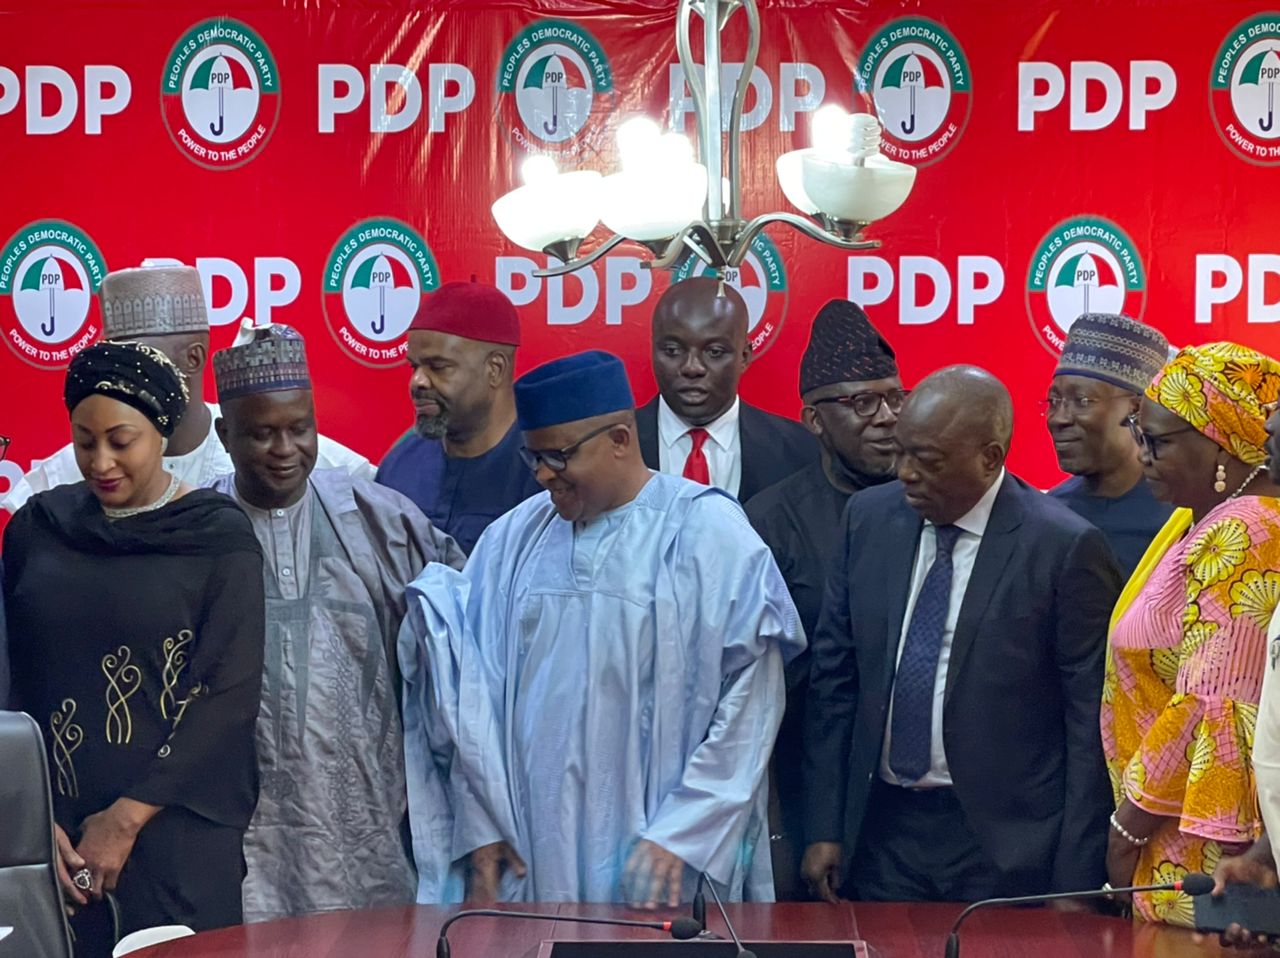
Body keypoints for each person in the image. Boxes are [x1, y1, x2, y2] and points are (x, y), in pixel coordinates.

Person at [399, 350, 804, 904]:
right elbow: (468, 699)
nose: (543, 476)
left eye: (559, 457)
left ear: (619, 439)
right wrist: (481, 822)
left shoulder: (708, 533)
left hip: (664, 856)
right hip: (534, 854)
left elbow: (752, 706)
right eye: (533, 457)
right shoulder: (511, 540)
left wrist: (685, 831)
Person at [803, 365, 1121, 904]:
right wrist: (824, 826)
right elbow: (835, 685)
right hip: (881, 834)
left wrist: (1077, 876)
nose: (904, 473)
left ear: (989, 458)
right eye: (901, 452)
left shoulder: (1063, 547)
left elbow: (1088, 724)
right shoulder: (867, 520)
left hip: (1005, 844)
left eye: (926, 460)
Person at [2, 341, 265, 956]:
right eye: (84, 439)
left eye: (122, 440)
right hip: (54, 837)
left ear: (163, 433)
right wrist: (37, 824)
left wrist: (124, 821)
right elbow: (12, 680)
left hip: (177, 832)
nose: (100, 461)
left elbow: (227, 692)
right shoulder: (38, 529)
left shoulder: (215, 536)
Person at [208, 322, 464, 921]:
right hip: (250, 830)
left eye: (300, 429)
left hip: (371, 815)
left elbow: (463, 642)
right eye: (262, 433)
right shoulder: (199, 532)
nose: (284, 449)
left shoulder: (378, 519)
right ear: (225, 434)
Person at [1101, 342, 1280, 927]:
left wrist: (1127, 828)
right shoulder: (1199, 518)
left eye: (1159, 441)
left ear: (1222, 441)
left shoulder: (1244, 529)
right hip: (1179, 842)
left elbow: (1213, 706)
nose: (1141, 455)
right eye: (1138, 433)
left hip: (1197, 855)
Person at [744, 299, 903, 900]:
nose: (887, 417)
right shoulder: (769, 522)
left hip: (906, 798)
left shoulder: (927, 505)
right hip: (802, 786)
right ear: (813, 420)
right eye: (864, 403)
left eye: (895, 397)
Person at [1, 262, 373, 514]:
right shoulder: (66, 475)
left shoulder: (287, 457)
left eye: (142, 360)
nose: (123, 378)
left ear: (193, 359)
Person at [376, 279, 541, 553]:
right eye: (414, 366)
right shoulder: (399, 466)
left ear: (495, 369)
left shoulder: (544, 472)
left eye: (438, 367)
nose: (417, 381)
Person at [635, 276, 816, 501]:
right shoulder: (610, 446)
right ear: (653, 350)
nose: (692, 368)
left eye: (715, 352)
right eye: (672, 350)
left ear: (744, 356)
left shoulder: (802, 450)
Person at [1046, 313, 1174, 577]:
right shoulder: (1049, 516)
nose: (1058, 418)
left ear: (1137, 409)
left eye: (1081, 401)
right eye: (1053, 401)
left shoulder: (1180, 521)